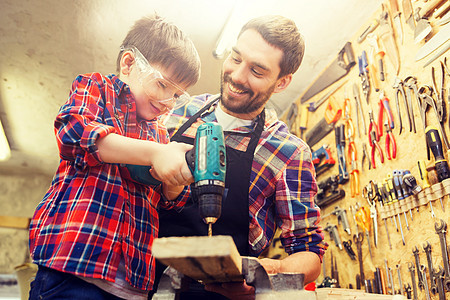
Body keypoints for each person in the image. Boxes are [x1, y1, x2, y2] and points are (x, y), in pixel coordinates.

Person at [154, 15, 328, 299]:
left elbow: (309, 253)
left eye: (257, 71)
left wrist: (266, 279)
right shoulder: (176, 110)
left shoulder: (288, 152)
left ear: (282, 82)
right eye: (235, 58)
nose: (237, 76)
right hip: (139, 283)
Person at [28, 14, 201, 300]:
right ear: (129, 63)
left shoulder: (160, 135)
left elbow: (172, 201)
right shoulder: (96, 88)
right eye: (162, 85)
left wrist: (175, 178)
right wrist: (157, 153)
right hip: (75, 269)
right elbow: (76, 133)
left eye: (177, 95)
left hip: (132, 286)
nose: (167, 101)